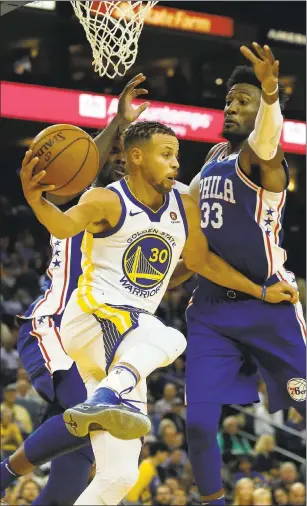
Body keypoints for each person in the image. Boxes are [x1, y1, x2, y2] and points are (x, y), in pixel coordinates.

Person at [19, 117, 295, 506]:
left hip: (126, 345)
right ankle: (107, 397)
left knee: (119, 475)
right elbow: (63, 226)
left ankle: (106, 395)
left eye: (176, 155)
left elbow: (201, 263)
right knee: (171, 335)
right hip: (93, 319)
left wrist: (260, 291)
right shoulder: (105, 200)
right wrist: (36, 201)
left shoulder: (184, 205)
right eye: (165, 155)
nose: (175, 163)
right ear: (136, 156)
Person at [0, 74, 150, 505]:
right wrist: (117, 124)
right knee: (88, 415)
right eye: (117, 157)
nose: (123, 162)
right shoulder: (89, 199)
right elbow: (83, 161)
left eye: (130, 157)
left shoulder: (147, 219)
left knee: (81, 448)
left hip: (95, 341)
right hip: (56, 327)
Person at [176, 42, 306, 505]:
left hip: (269, 305)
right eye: (229, 99)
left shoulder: (263, 163)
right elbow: (190, 230)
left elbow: (268, 139)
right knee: (195, 422)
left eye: (243, 101)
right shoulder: (212, 159)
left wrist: (270, 95)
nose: (231, 107)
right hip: (211, 308)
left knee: (304, 405)